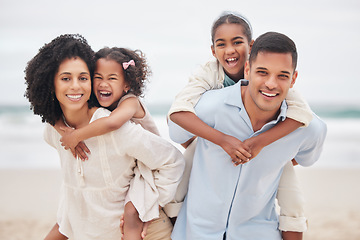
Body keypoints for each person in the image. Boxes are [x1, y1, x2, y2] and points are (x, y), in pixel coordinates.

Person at [164, 12, 312, 239]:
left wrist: (262, 144)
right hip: (212, 136)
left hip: (260, 138)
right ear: (213, 51)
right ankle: (180, 225)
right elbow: (177, 113)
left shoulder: (269, 74)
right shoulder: (209, 73)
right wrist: (220, 140)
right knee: (187, 167)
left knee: (288, 184)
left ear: (251, 46)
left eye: (237, 42)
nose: (230, 50)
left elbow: (302, 114)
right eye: (221, 44)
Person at [24, 34, 184, 240]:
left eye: (82, 78)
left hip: (149, 232)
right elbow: (75, 188)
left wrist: (146, 207)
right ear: (50, 84)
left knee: (133, 212)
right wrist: (61, 127)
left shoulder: (119, 124)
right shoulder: (54, 130)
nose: (75, 86)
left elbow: (172, 160)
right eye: (65, 78)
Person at [56, 46, 172, 239]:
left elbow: (113, 123)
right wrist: (61, 126)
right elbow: (56, 113)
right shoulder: (100, 104)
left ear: (126, 85)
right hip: (133, 165)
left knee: (131, 215)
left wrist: (76, 136)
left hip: (151, 169)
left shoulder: (131, 102)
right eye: (98, 77)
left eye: (112, 78)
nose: (103, 84)